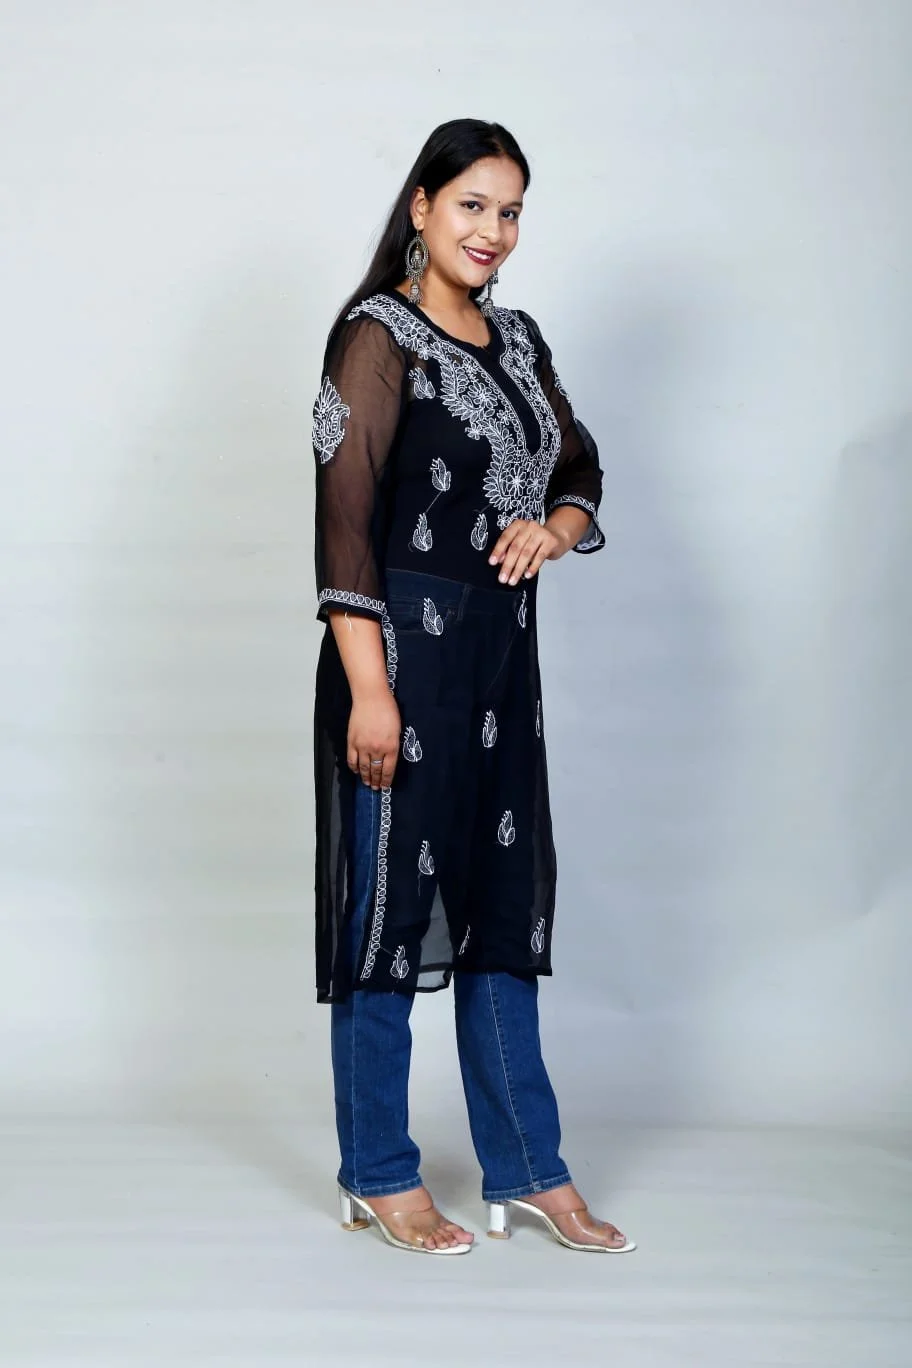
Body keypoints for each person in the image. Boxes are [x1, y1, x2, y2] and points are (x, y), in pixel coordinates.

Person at [311, 118, 635, 1256]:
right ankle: (378, 1169)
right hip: (400, 657)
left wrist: (555, 527)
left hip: (501, 665)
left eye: (511, 212)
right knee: (389, 914)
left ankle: (530, 1167)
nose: (493, 231)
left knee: (503, 909)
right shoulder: (376, 338)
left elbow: (578, 465)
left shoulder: (520, 338)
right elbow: (346, 531)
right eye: (472, 206)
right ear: (422, 207)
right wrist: (370, 692)